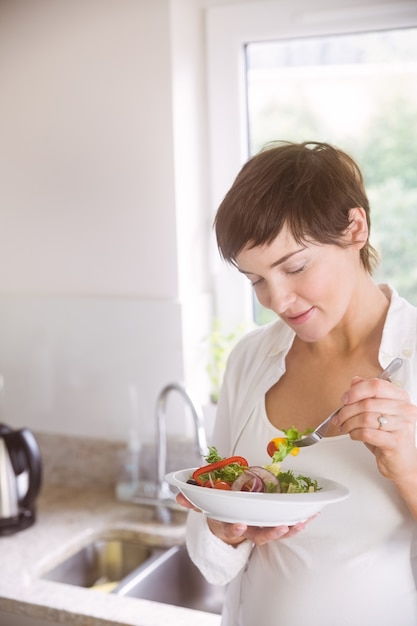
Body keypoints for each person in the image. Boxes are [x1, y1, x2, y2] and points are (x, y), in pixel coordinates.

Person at [177, 141, 417, 625]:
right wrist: (223, 526)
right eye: (256, 280)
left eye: (295, 267)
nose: (278, 300)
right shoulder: (251, 359)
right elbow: (212, 560)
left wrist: (410, 466)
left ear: (356, 228)